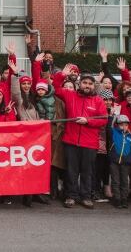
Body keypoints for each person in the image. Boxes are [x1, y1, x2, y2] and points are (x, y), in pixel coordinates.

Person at [52, 64, 108, 209]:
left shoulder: (98, 101)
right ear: (80, 84)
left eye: (90, 83)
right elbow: (56, 88)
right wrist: (61, 75)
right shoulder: (70, 95)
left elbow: (104, 120)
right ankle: (71, 196)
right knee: (71, 171)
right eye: (85, 83)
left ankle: (86, 196)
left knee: (87, 172)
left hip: (89, 143)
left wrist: (88, 121)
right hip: (70, 141)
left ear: (93, 86)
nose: (87, 85)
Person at [108, 114, 131, 208]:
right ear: (117, 125)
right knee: (115, 181)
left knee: (125, 181)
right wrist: (113, 117)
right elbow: (109, 126)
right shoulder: (114, 133)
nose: (123, 127)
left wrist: (130, 158)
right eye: (121, 124)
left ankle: (124, 199)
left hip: (126, 163)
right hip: (114, 162)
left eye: (126, 125)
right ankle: (117, 199)